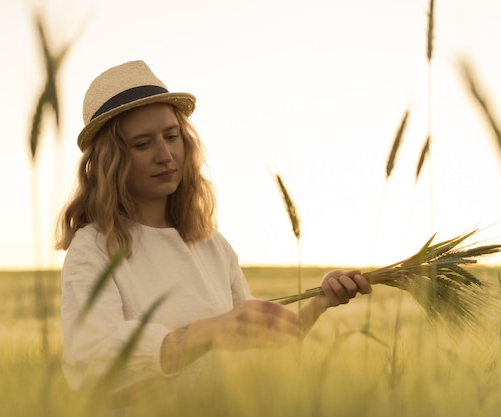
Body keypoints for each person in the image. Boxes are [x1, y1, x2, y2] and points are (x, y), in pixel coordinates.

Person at [56, 60, 372, 398]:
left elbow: (260, 345)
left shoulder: (212, 245)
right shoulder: (92, 249)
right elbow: (93, 360)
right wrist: (211, 330)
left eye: (171, 136)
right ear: (111, 159)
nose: (165, 154)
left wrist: (321, 301)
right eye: (143, 144)